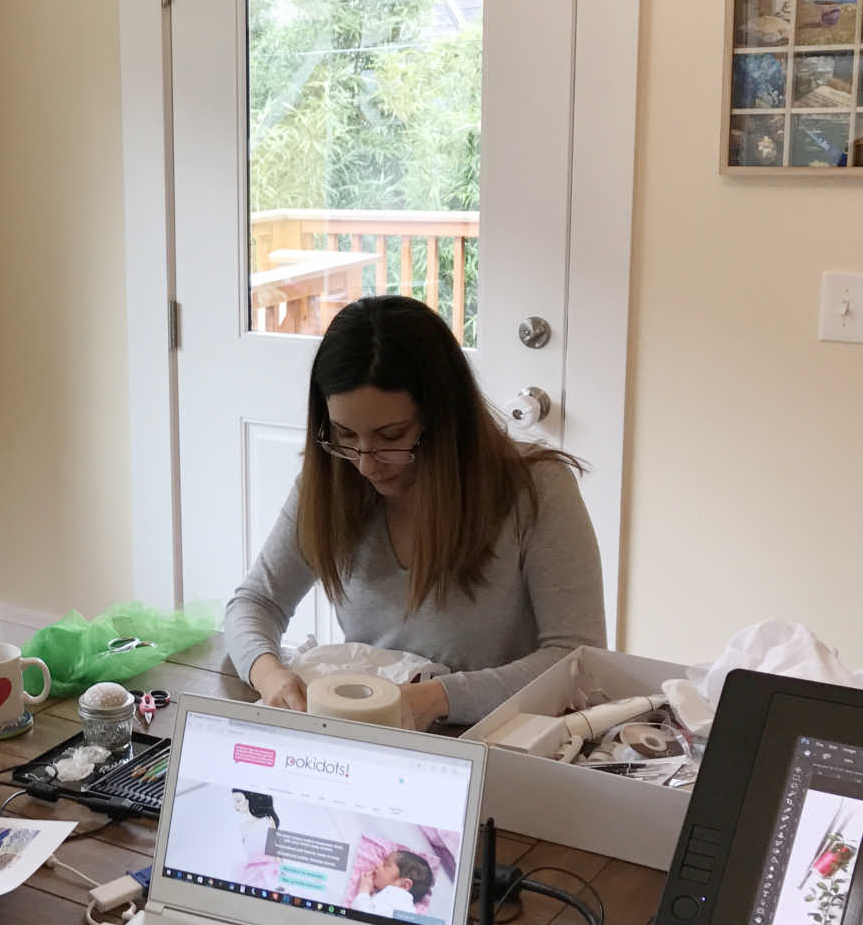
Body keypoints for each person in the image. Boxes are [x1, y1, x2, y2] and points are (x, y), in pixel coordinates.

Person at [224, 295, 605, 728]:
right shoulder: (331, 482)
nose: (366, 464)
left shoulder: (535, 488)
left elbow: (578, 659)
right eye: (345, 434)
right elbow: (254, 603)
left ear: (443, 419)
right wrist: (270, 674)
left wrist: (436, 698)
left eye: (391, 436)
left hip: (498, 741)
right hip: (378, 737)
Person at [350, 850, 434, 917]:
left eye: (386, 865)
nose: (378, 864)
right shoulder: (404, 906)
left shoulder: (396, 896)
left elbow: (363, 915)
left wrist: (364, 890)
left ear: (405, 885)